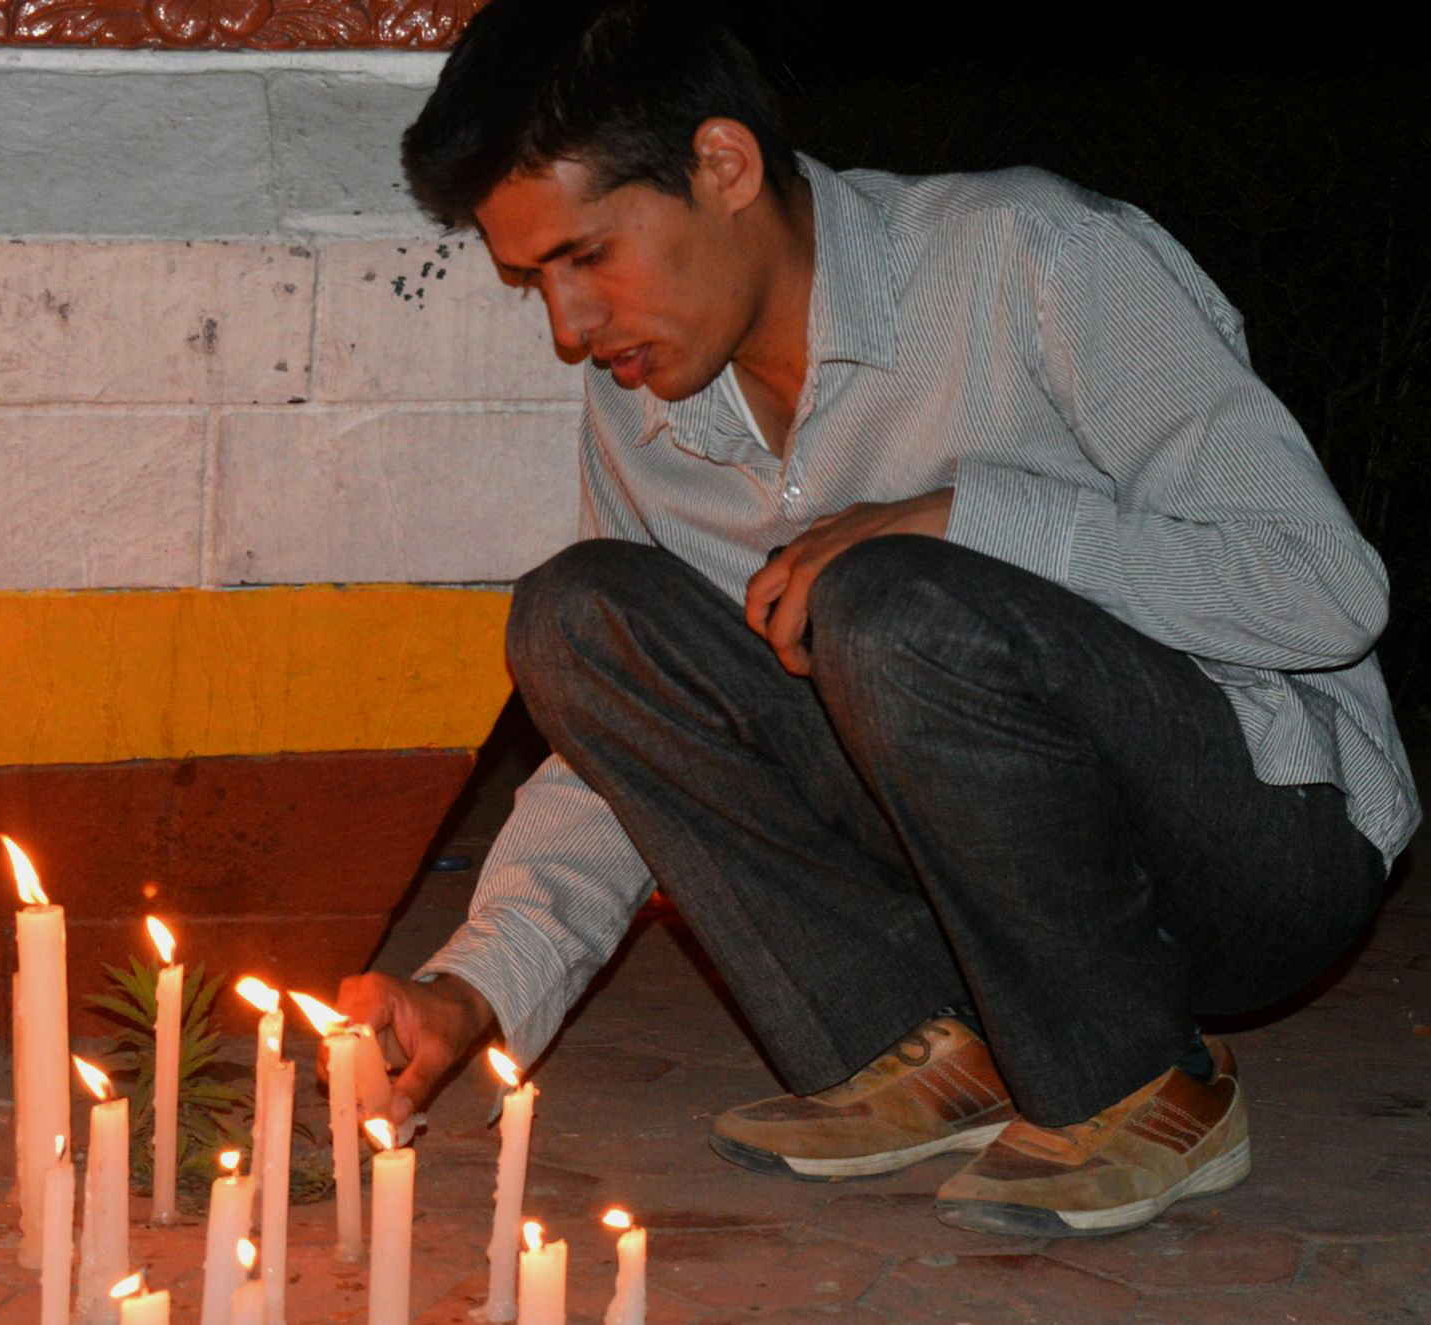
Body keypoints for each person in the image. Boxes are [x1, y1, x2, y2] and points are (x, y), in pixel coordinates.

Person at [334, 0, 1420, 1238]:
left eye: (587, 257)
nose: (569, 328)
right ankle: (923, 1053)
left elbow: (1324, 589)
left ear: (723, 164)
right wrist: (472, 986)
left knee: (883, 594)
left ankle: (1135, 1083)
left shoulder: (1032, 255)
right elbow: (629, 748)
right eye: (532, 281)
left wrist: (966, 515)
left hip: (1260, 839)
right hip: (979, 883)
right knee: (580, 614)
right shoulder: (646, 405)